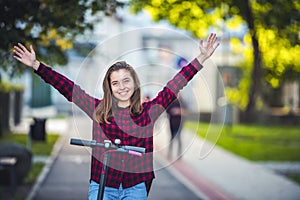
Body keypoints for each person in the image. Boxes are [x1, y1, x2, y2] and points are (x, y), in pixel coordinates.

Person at [13, 33, 219, 200]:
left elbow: (174, 86)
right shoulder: (98, 110)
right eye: (116, 83)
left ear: (135, 84)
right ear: (109, 87)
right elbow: (68, 88)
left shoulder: (148, 111)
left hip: (135, 186)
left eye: (126, 81)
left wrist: (200, 58)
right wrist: (37, 66)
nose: (122, 87)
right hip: (103, 184)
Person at [166, 94, 187, 159]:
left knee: (179, 139)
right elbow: (167, 111)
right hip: (171, 123)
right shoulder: (171, 103)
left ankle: (179, 155)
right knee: (171, 138)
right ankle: (169, 154)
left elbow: (186, 111)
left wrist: (179, 111)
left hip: (180, 124)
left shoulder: (182, 103)